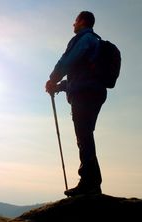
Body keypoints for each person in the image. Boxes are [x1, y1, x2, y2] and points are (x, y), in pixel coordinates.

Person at [45, 11, 107, 197]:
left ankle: (89, 183)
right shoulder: (95, 42)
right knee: (85, 136)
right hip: (94, 92)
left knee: (84, 137)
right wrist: (60, 86)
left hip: (85, 94)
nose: (73, 25)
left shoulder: (84, 39)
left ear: (82, 21)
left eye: (75, 21)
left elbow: (68, 62)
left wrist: (52, 79)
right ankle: (91, 183)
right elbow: (81, 75)